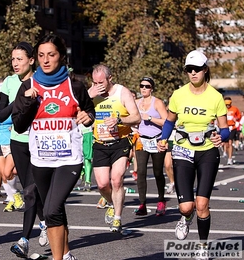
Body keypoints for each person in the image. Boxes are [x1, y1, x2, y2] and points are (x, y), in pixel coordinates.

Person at [12, 34, 95, 260]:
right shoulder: (28, 87)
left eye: (51, 55)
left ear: (61, 57)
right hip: (41, 160)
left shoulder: (75, 86)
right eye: (41, 56)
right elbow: (19, 126)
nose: (46, 60)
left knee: (50, 210)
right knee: (54, 209)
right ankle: (67, 255)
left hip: (69, 158)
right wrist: (29, 101)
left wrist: (88, 117)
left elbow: (89, 111)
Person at [157, 50, 229, 257]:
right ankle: (185, 218)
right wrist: (163, 138)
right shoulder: (178, 94)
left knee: (202, 204)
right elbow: (170, 121)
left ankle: (203, 247)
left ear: (205, 70)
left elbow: (225, 129)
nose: (193, 73)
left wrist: (221, 137)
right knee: (186, 207)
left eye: (197, 69)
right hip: (183, 150)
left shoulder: (216, 96)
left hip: (207, 151)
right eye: (189, 70)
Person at [0, 41, 48, 257]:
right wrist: (20, 99)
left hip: (40, 140)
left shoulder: (42, 81)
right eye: (12, 59)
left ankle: (36, 229)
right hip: (18, 141)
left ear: (31, 60)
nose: (15, 63)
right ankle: (30, 235)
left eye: (19, 59)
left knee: (34, 190)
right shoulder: (8, 82)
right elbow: (0, 116)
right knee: (29, 189)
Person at [89, 64, 141, 233]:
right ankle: (111, 203)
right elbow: (77, 110)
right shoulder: (92, 93)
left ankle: (117, 218)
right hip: (100, 143)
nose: (98, 86)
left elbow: (137, 117)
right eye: (95, 82)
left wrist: (119, 119)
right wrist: (87, 97)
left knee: (116, 180)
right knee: (103, 184)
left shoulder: (122, 92)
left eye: (101, 82)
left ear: (110, 79)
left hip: (120, 142)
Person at [0, 81, 24, 212]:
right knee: (4, 174)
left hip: (11, 141)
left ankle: (17, 193)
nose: (0, 97)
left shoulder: (15, 106)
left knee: (11, 172)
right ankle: (13, 198)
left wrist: (14, 126)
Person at [134, 77, 168, 216]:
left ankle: (161, 200)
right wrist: (133, 128)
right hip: (142, 140)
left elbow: (166, 122)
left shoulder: (157, 102)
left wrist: (150, 118)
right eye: (141, 86)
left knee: (158, 172)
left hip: (157, 140)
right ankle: (142, 204)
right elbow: (131, 119)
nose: (144, 88)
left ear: (152, 88)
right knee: (140, 172)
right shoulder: (135, 103)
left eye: (147, 86)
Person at [224, 97, 241, 165]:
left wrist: (236, 118)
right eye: (226, 104)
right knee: (226, 144)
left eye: (229, 104)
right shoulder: (222, 109)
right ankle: (227, 154)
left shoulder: (234, 109)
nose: (227, 105)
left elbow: (239, 116)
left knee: (230, 143)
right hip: (224, 127)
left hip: (232, 127)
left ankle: (230, 159)